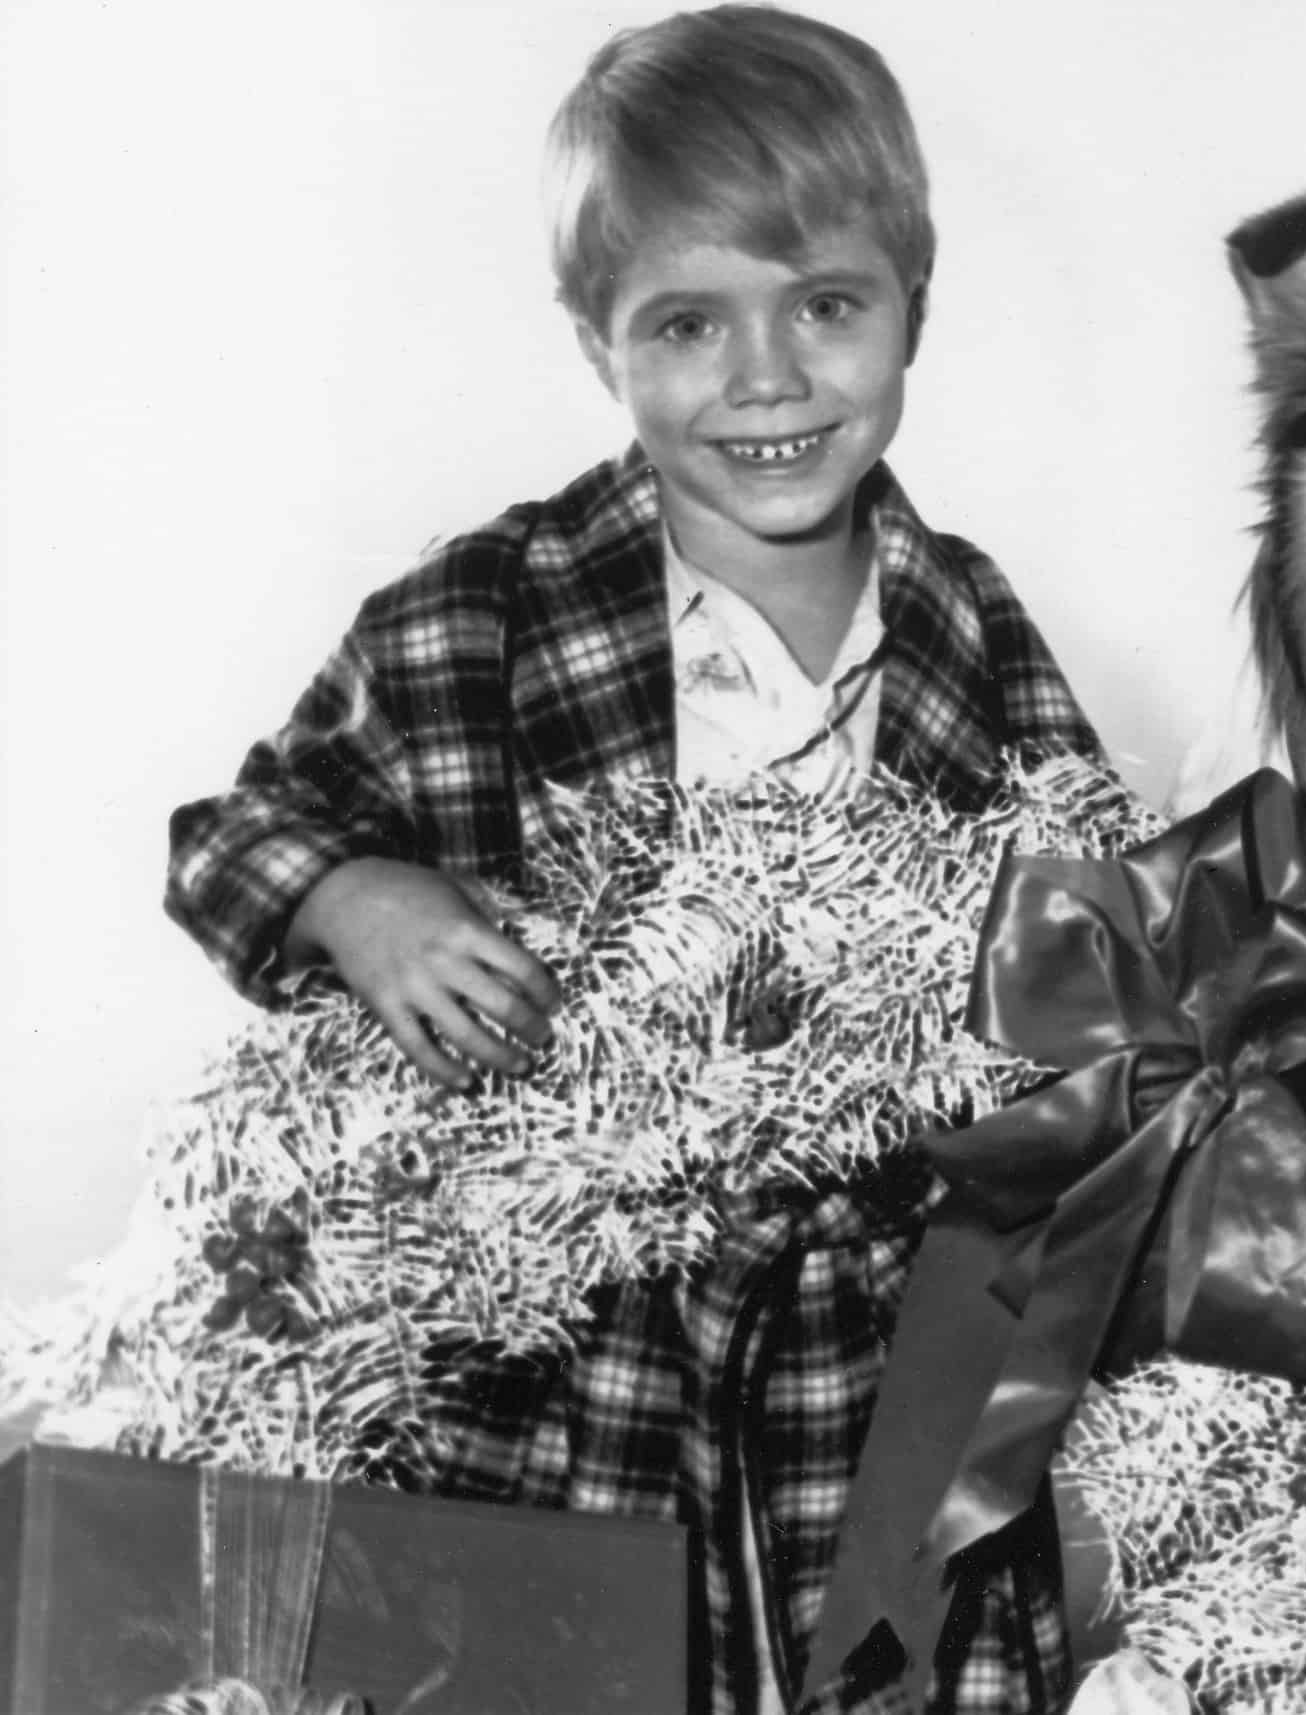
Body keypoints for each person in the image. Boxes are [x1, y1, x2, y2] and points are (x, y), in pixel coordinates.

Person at [164, 9, 1103, 1713]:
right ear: (598, 342)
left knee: (911, 1668)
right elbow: (235, 838)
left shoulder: (970, 628)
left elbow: (1090, 936)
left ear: (913, 305)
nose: (768, 379)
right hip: (575, 1349)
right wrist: (356, 900)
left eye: (826, 304)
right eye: (688, 322)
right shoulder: (483, 611)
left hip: (882, 1347)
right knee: (564, 1675)